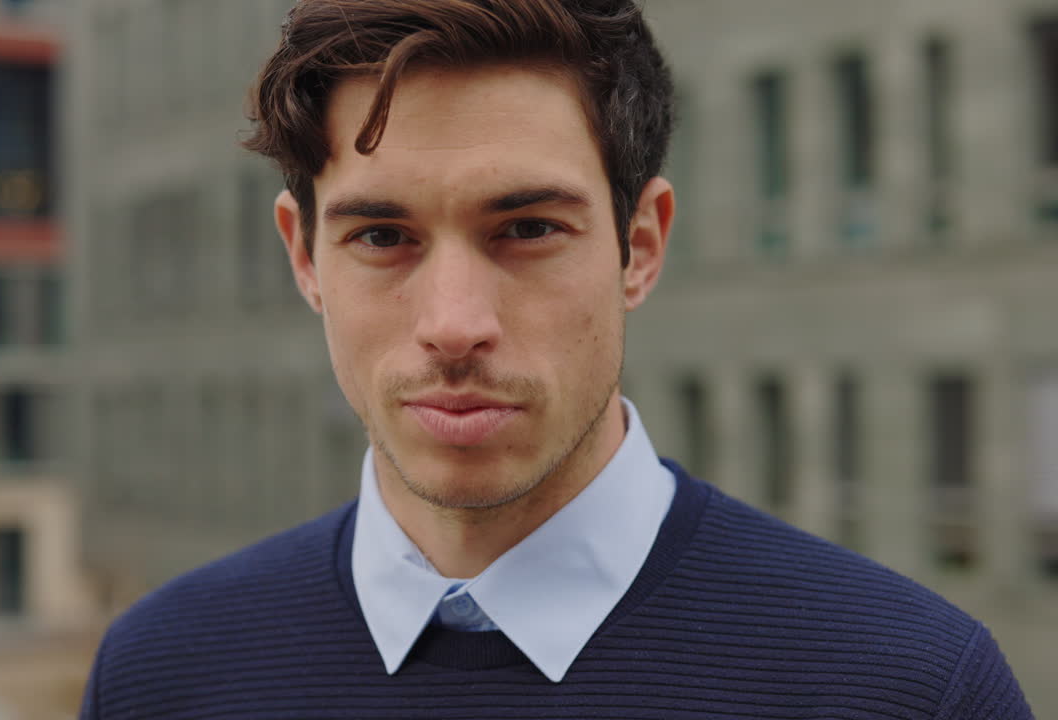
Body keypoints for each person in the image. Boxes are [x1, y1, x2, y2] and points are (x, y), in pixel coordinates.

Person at [80, 1, 1033, 717]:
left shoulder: (912, 687)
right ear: (303, 257)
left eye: (529, 228)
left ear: (641, 246)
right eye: (382, 237)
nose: (455, 324)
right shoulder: (160, 675)